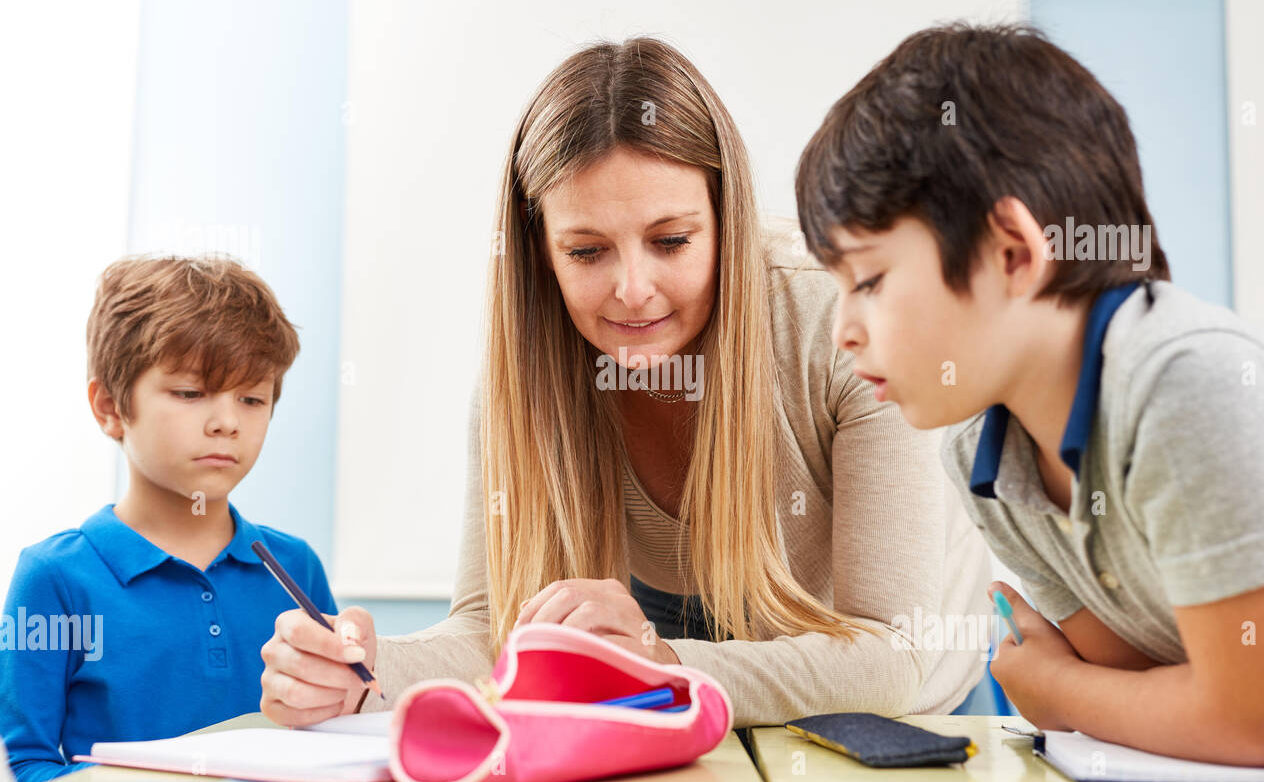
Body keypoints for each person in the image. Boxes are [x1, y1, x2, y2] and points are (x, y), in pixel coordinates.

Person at [260, 36, 992, 730]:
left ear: (725, 221)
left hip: (900, 708)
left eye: (671, 241)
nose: (632, 290)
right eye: (586, 251)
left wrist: (654, 663)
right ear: (541, 251)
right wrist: (368, 668)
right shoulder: (524, 377)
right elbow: (493, 634)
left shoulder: (843, 324)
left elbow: (890, 656)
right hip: (665, 658)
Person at [795, 22, 1264, 765]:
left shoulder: (1187, 384)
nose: (844, 331)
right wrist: (1093, 691)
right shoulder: (985, 460)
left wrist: (1057, 691)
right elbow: (1152, 693)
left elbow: (1262, 723)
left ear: (1014, 251)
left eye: (868, 282)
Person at [0, 254, 337, 782]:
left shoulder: (295, 567)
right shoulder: (53, 578)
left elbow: (329, 739)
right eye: (190, 393)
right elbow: (26, 766)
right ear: (110, 406)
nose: (226, 422)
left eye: (252, 398)